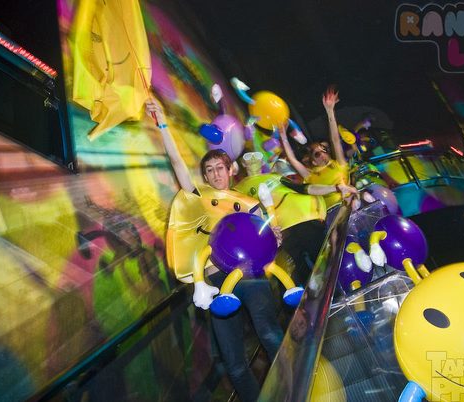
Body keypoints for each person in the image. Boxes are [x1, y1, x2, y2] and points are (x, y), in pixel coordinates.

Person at [147, 98, 283, 402]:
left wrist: (275, 236)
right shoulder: (200, 196)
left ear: (230, 170)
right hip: (215, 279)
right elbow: (177, 163)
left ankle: (298, 386)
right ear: (205, 176)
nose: (215, 174)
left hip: (249, 275)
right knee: (234, 363)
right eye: (209, 170)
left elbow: (269, 237)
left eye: (219, 168)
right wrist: (162, 123)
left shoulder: (250, 204)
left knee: (269, 333)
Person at [236, 151, 358, 285]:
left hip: (304, 219)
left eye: (257, 156)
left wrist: (337, 188)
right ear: (243, 164)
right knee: (298, 272)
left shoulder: (274, 177)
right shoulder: (239, 189)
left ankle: (344, 286)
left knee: (326, 259)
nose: (253, 160)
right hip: (279, 233)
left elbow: (304, 188)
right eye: (248, 157)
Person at [278, 87, 351, 227]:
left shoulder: (339, 163)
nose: (323, 153)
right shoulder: (310, 176)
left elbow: (335, 140)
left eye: (324, 149)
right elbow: (292, 159)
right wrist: (283, 136)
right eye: (317, 153)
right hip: (333, 216)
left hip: (351, 205)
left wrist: (330, 110)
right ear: (313, 161)